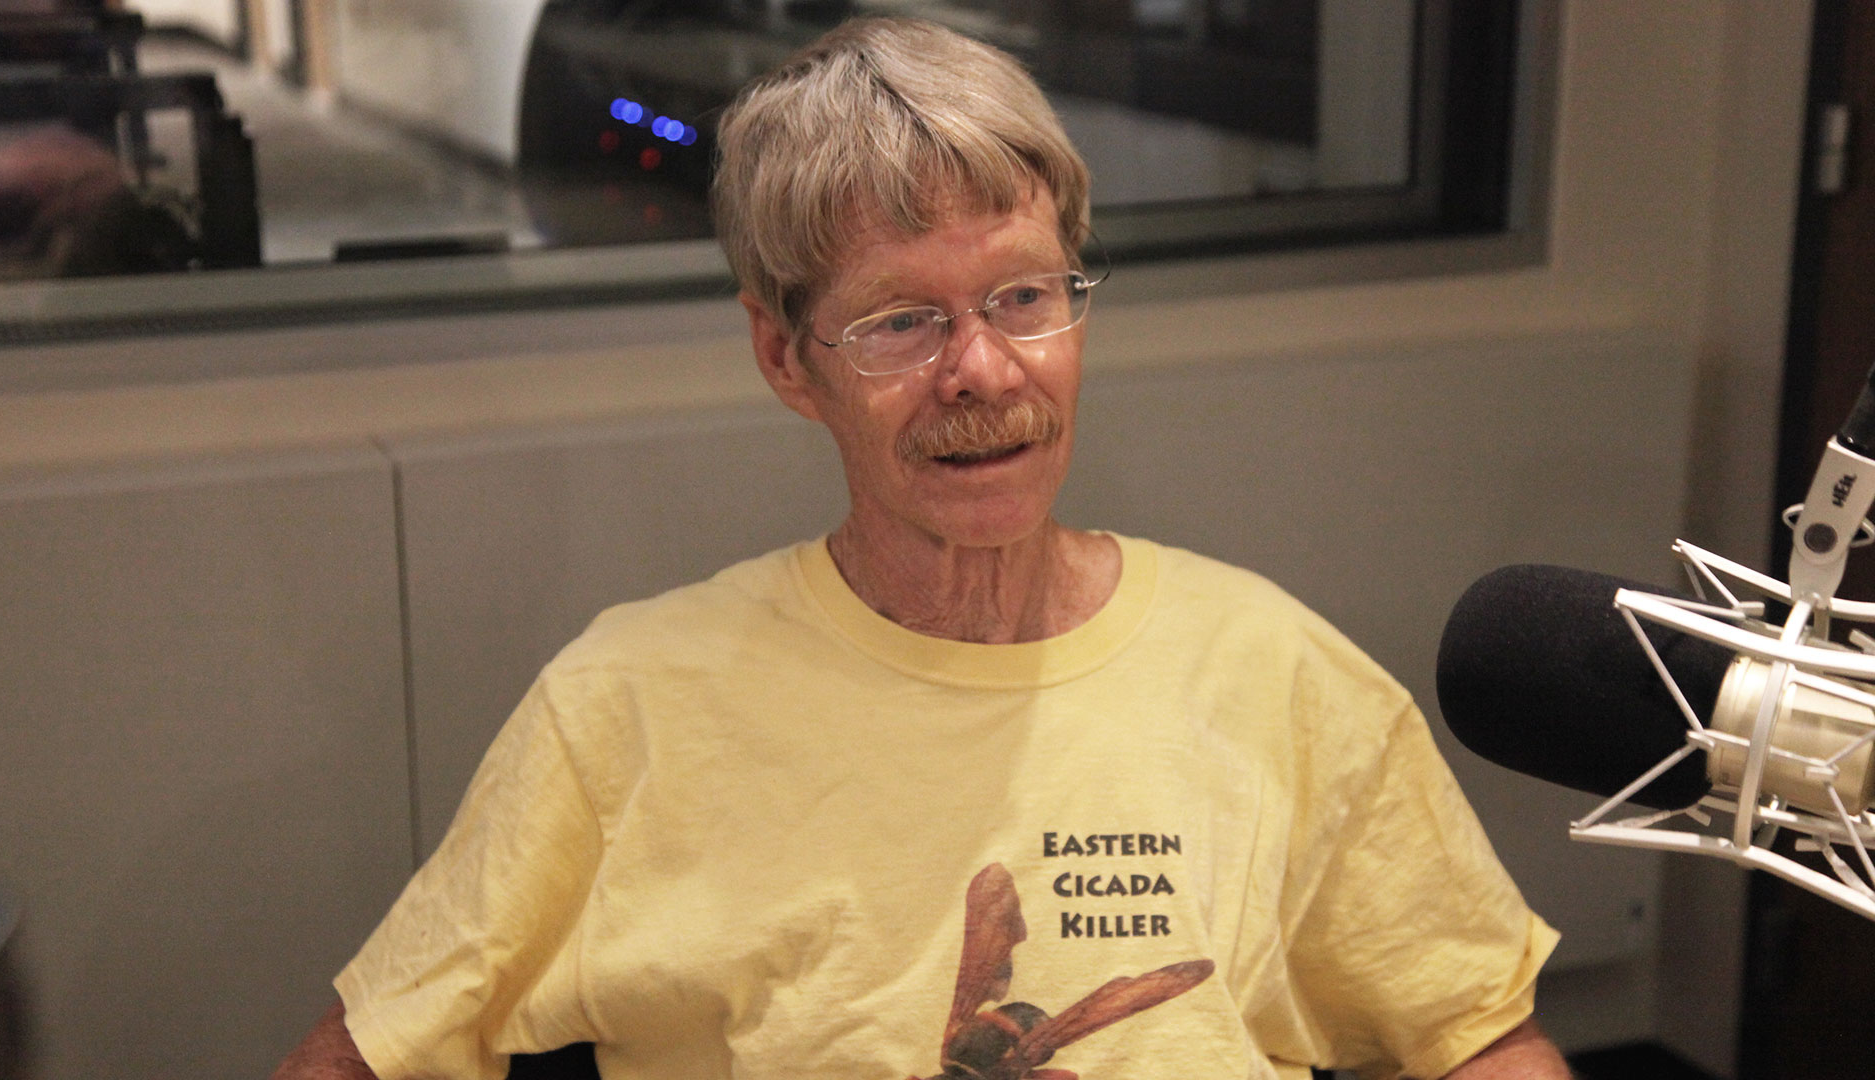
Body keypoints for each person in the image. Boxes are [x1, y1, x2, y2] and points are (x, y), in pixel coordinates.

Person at [274, 17, 1570, 1080]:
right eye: (900, 322)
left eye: (1024, 296)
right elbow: (361, 1054)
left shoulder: (1275, 672)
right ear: (786, 357)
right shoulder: (627, 710)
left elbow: (1480, 1041)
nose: (982, 370)